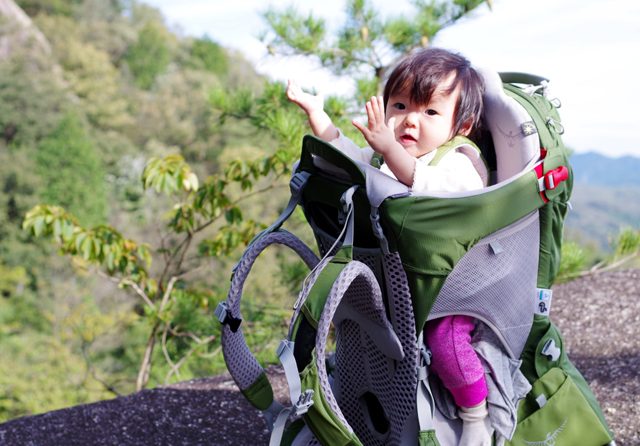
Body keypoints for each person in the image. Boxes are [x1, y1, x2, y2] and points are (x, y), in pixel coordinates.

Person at [287, 47, 493, 446]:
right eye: (399, 105)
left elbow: (434, 189)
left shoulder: (458, 161)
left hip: (454, 289)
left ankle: (476, 415)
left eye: (430, 112)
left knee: (446, 344)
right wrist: (318, 116)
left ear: (462, 124)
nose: (410, 120)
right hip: (400, 284)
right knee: (357, 338)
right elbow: (348, 160)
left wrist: (390, 150)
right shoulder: (387, 158)